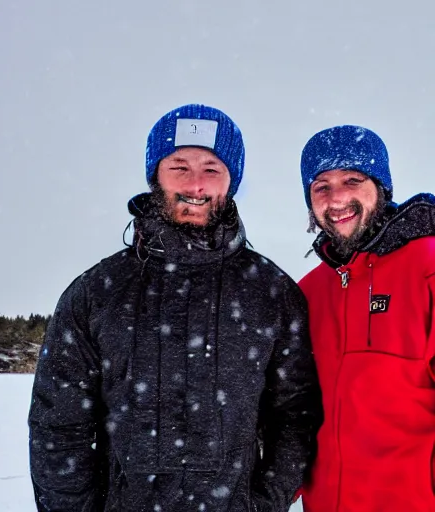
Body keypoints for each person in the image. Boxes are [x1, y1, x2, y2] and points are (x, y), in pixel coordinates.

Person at [28, 104, 322, 512]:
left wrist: (265, 504)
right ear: (155, 177)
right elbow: (59, 426)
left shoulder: (272, 293)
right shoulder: (96, 294)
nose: (195, 184)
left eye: (211, 168)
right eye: (179, 167)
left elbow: (295, 417)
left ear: (231, 181)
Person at [298, 124, 435, 512]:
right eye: (321, 186)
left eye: (352, 179)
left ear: (381, 187)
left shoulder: (428, 268)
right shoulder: (308, 292)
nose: (337, 197)